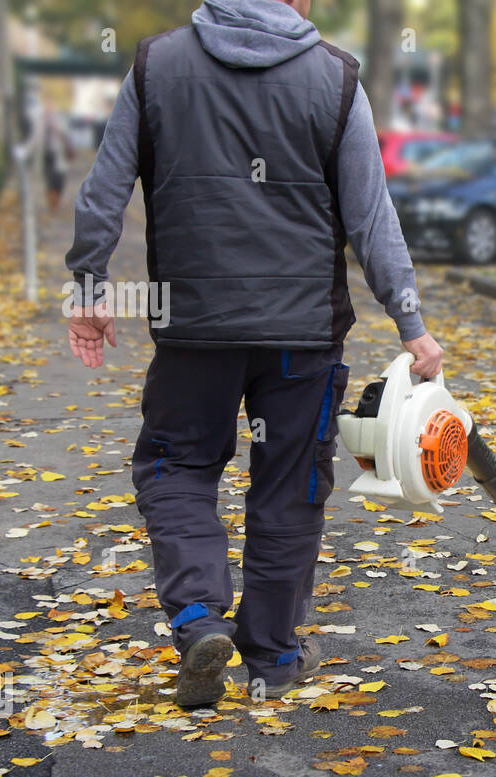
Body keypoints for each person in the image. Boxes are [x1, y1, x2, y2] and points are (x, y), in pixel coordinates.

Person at [64, 0, 443, 707]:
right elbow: (369, 214)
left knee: (176, 469)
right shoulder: (334, 77)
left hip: (193, 330)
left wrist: (88, 287)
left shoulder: (157, 65)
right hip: (301, 335)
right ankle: (270, 655)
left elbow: (105, 188)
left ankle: (199, 616)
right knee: (291, 486)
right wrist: (410, 322)